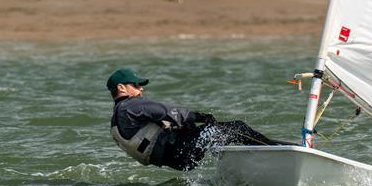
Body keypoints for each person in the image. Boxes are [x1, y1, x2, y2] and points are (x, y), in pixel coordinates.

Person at [107, 67, 286, 170]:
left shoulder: (117, 118)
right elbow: (171, 112)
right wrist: (200, 116)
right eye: (136, 85)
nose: (141, 89)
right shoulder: (132, 105)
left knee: (218, 136)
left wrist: (186, 126)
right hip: (181, 151)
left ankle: (250, 165)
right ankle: (280, 153)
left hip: (175, 160)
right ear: (122, 88)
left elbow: (159, 130)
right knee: (235, 128)